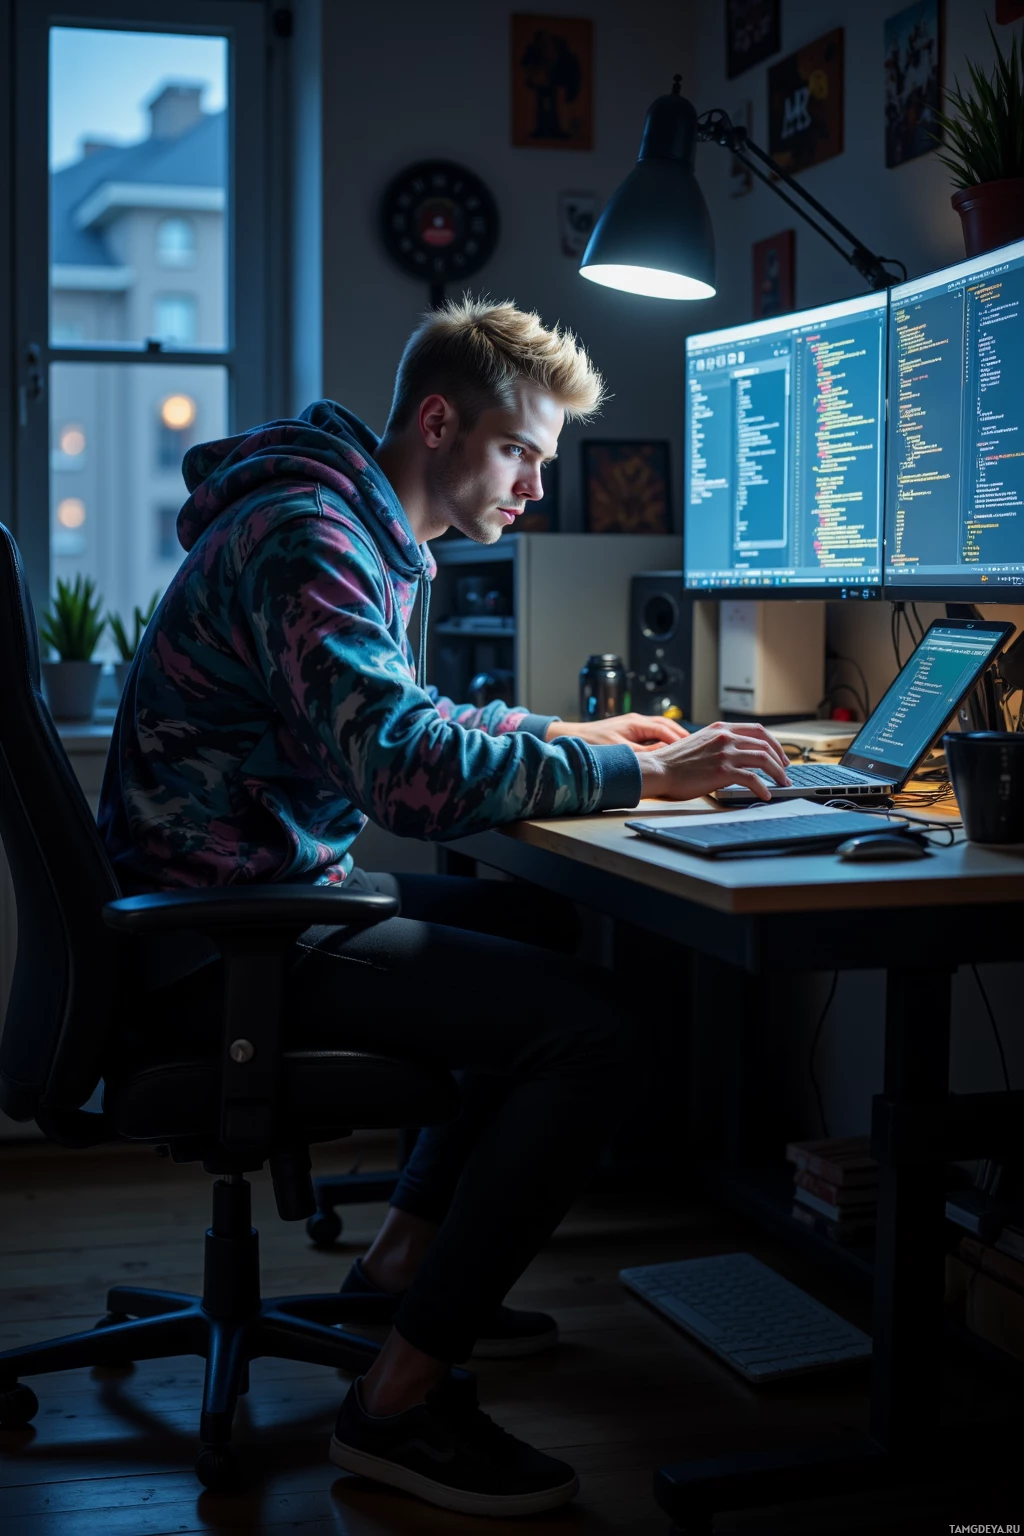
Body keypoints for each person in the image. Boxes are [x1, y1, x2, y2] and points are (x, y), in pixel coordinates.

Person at [98, 297, 789, 1517]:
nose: (534, 485)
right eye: (521, 452)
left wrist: (570, 733)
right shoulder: (313, 536)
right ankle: (398, 1403)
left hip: (234, 899)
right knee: (600, 1030)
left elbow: (400, 718)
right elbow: (403, 774)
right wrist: (640, 771)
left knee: (534, 928)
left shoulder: (340, 519)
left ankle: (398, 1267)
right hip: (221, 939)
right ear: (437, 422)